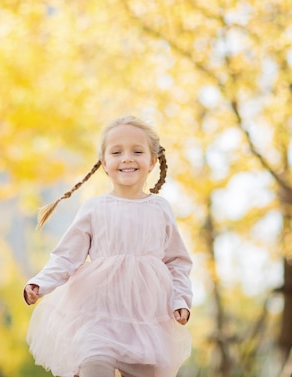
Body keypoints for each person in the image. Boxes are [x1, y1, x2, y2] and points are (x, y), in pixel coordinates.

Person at [23, 115, 193, 377]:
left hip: (146, 319)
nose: (126, 158)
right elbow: (67, 256)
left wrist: (180, 299)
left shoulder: (160, 209)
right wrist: (41, 283)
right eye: (117, 152)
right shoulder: (95, 207)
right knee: (94, 364)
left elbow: (177, 261)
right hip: (97, 314)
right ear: (105, 163)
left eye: (137, 151)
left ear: (152, 161)